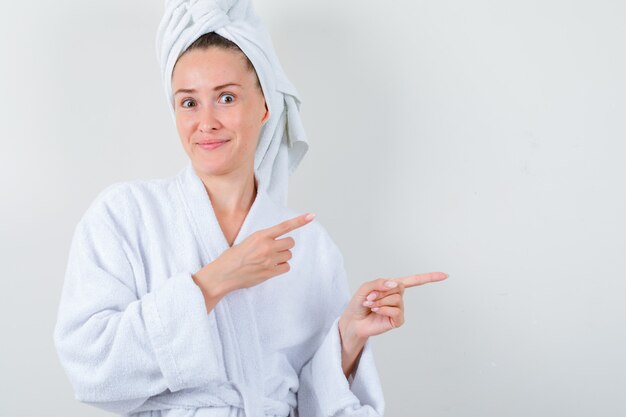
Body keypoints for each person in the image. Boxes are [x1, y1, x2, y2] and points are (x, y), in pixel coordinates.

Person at [53, 3, 448, 417]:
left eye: (226, 98)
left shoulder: (309, 244)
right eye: (189, 103)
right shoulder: (124, 216)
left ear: (264, 107)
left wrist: (349, 335)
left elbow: (312, 399)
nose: (206, 122)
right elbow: (91, 368)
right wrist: (212, 283)